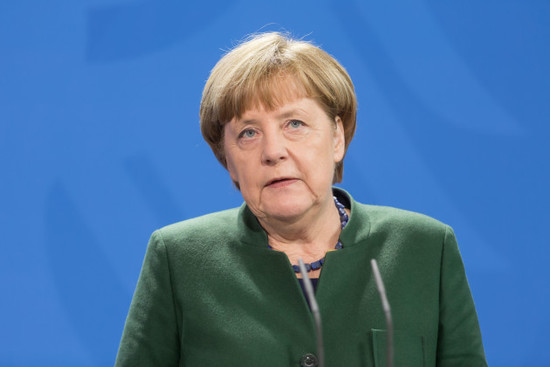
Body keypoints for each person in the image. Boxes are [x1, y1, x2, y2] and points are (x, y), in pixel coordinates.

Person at [115, 32, 487, 367]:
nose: (273, 151)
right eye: (248, 133)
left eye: (294, 124)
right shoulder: (178, 259)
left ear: (337, 137)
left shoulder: (426, 249)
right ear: (227, 159)